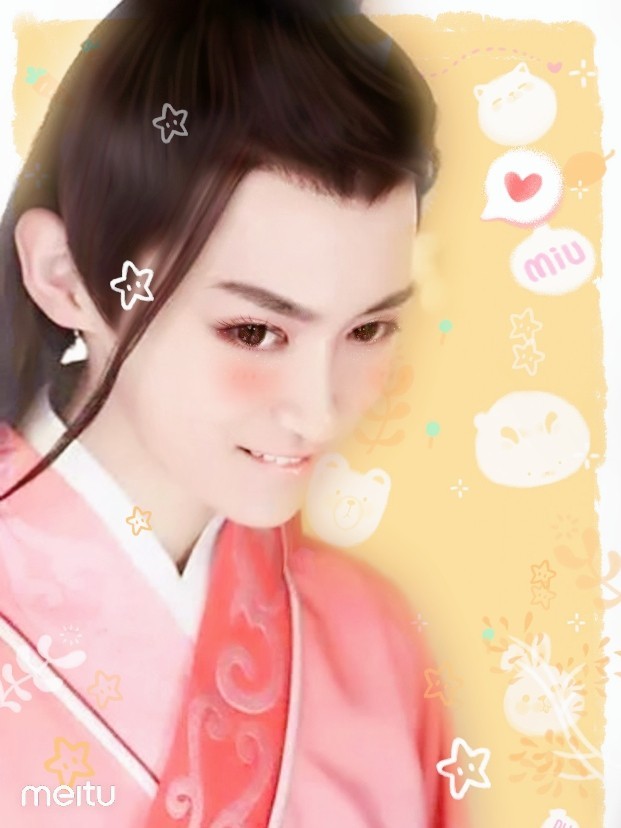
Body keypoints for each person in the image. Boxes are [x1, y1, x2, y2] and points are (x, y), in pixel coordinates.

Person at [0, 0, 469, 825]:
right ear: (67, 277)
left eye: (367, 328)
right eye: (253, 330)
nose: (317, 410)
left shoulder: (373, 642)